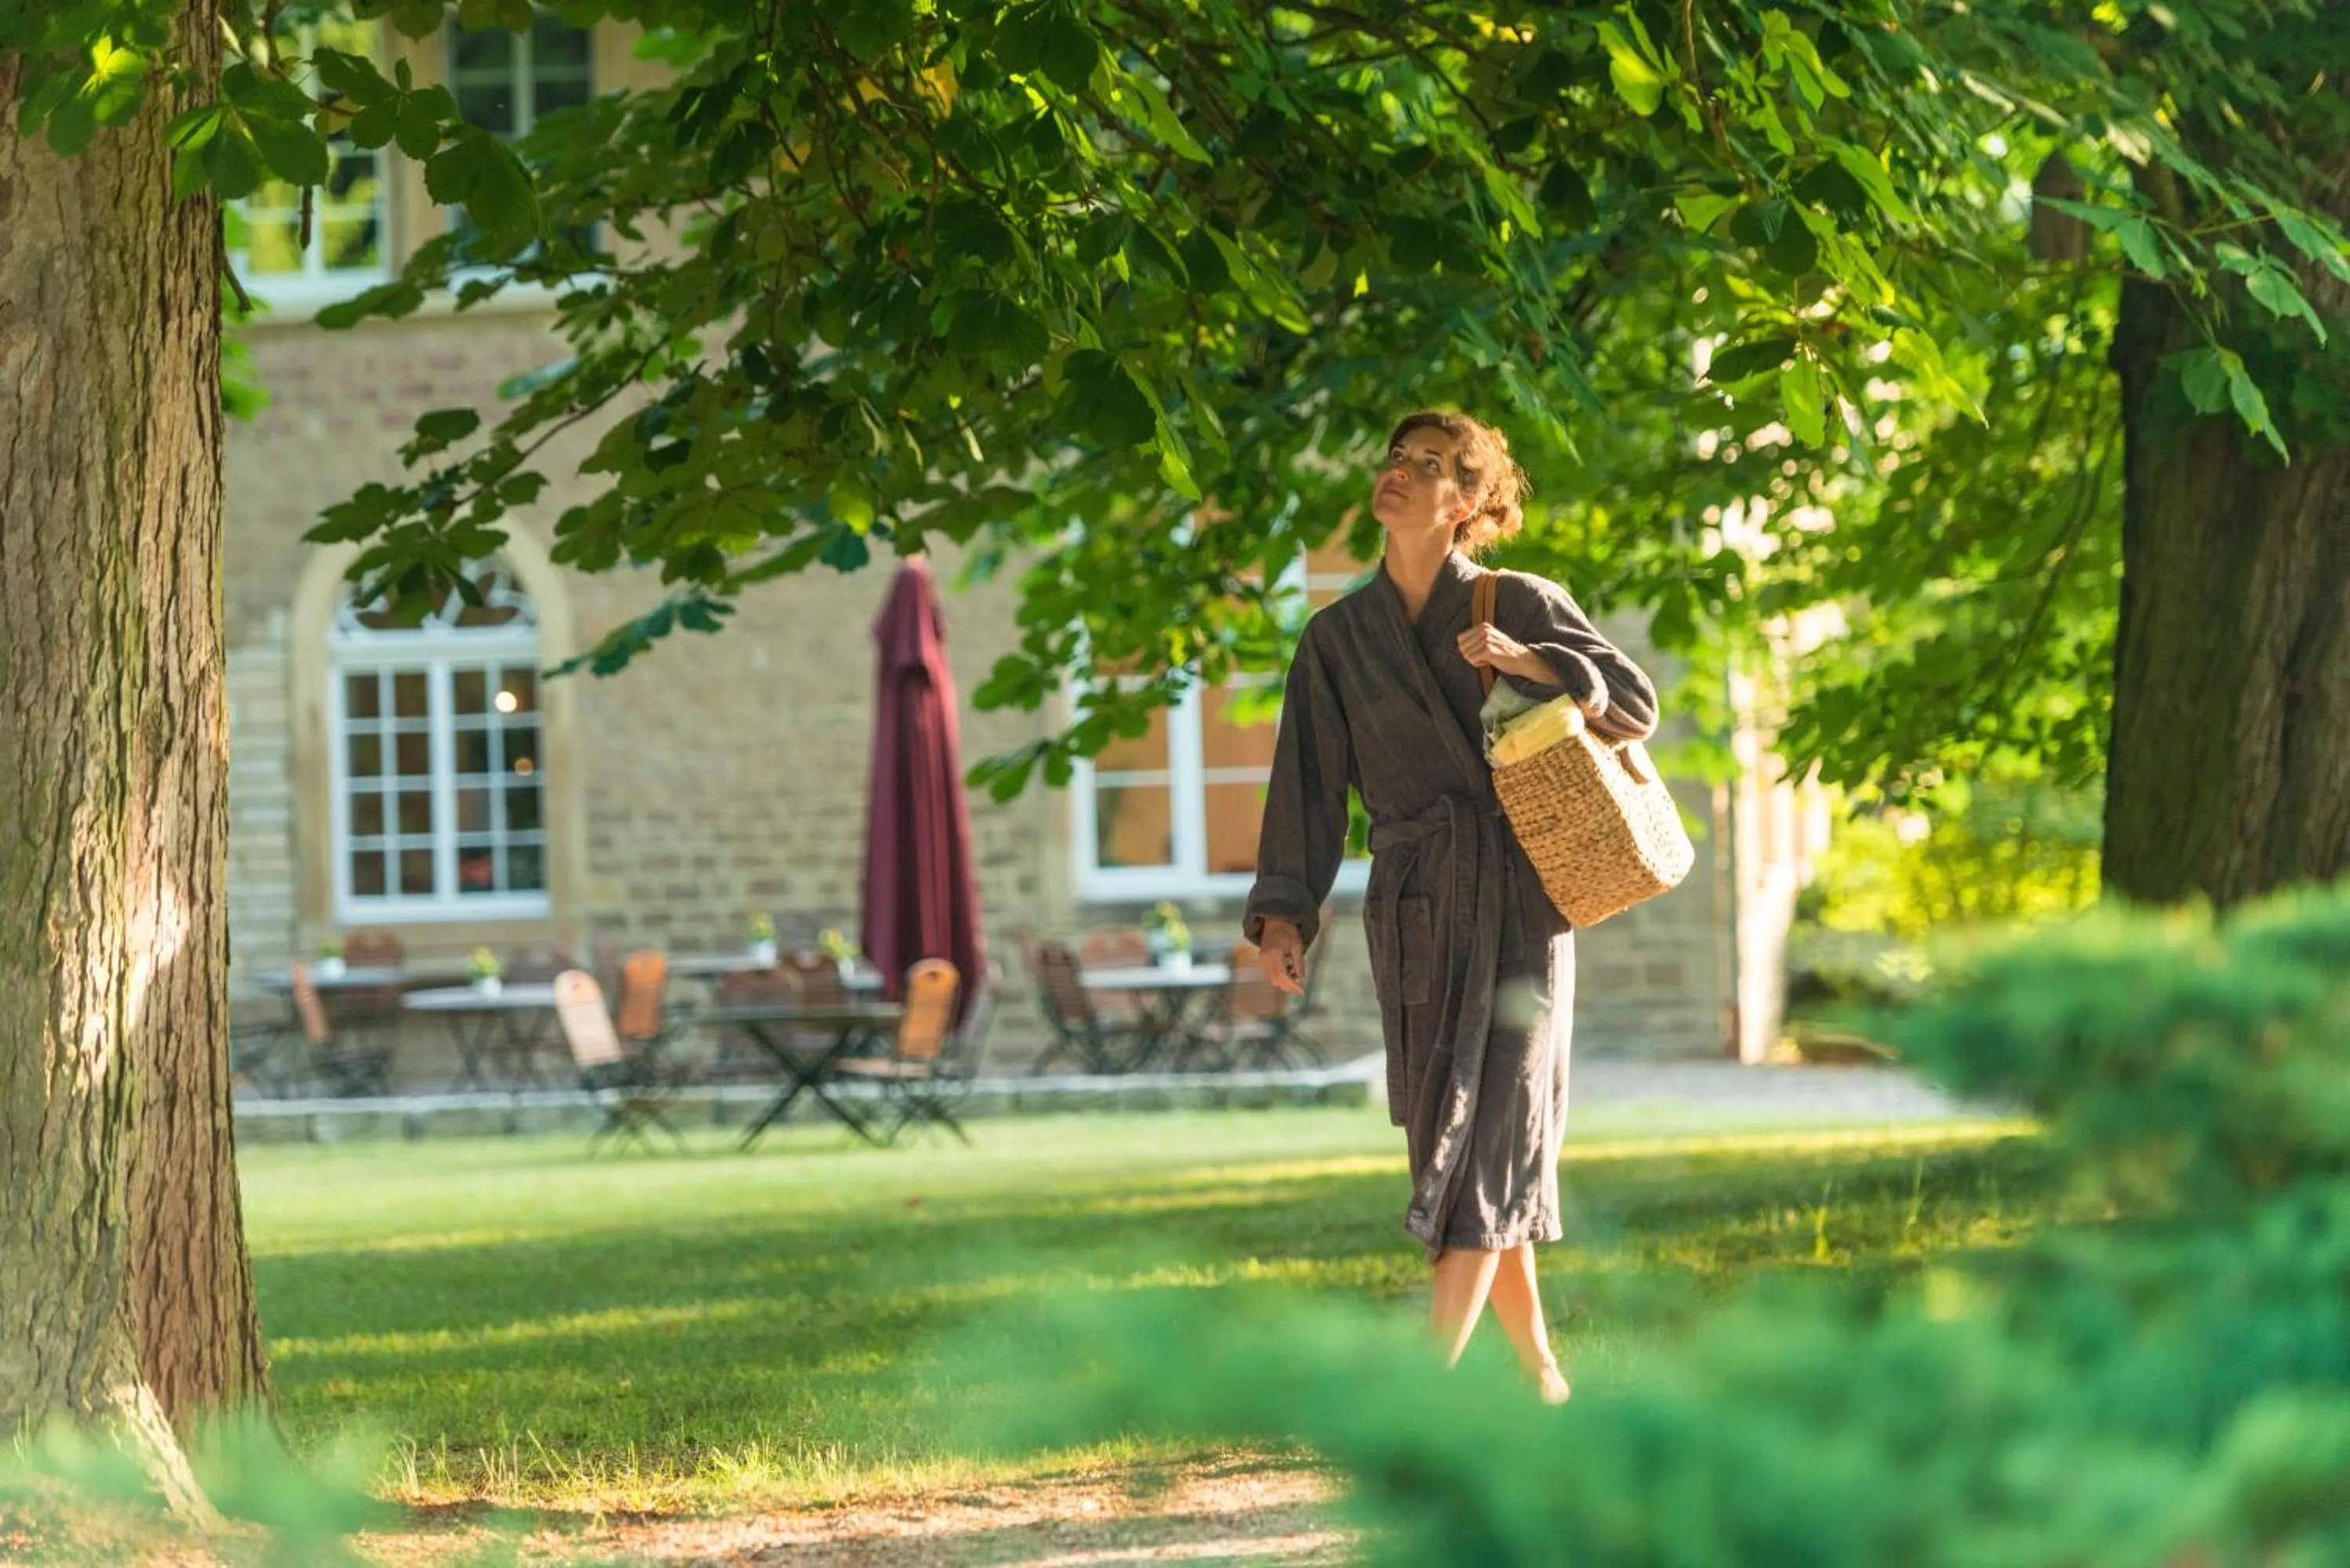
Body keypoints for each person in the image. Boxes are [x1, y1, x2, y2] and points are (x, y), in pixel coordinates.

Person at [1242, 410, 1659, 1404]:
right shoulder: (1336, 638)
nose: (1398, 474)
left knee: (1493, 1132)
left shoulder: (1519, 599)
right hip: (1418, 905)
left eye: (1429, 466)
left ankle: (1424, 1395)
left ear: (1468, 503)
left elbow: (1635, 703)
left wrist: (1534, 661)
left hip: (1520, 896)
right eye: (1394, 458)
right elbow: (1306, 783)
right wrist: (1286, 912)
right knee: (1457, 1133)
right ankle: (1543, 1376)